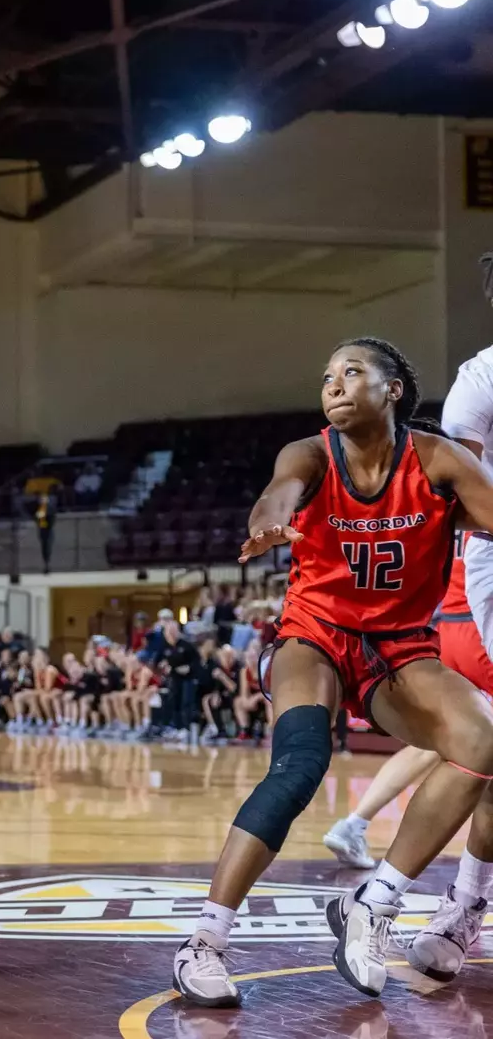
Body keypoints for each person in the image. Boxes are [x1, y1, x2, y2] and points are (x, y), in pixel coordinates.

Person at [173, 338, 493, 1008]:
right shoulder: (311, 454)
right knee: (300, 764)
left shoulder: (439, 462)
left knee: (482, 739)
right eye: (327, 377)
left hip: (399, 648)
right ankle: (204, 942)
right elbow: (276, 495)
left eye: (353, 372)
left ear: (393, 389)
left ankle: (372, 906)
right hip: (313, 637)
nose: (335, 385)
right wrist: (267, 524)